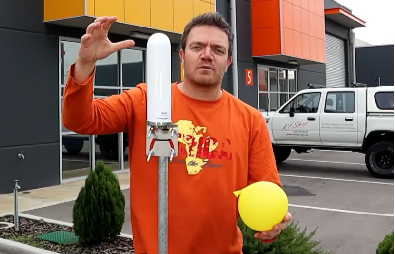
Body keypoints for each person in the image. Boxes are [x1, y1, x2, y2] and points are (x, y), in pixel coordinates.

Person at [62, 12, 292, 254]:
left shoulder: (250, 120)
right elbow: (80, 120)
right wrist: (85, 64)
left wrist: (272, 226)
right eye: (197, 46)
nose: (207, 55)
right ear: (182, 56)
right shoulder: (147, 101)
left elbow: (267, 193)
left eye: (218, 50)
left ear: (228, 61)